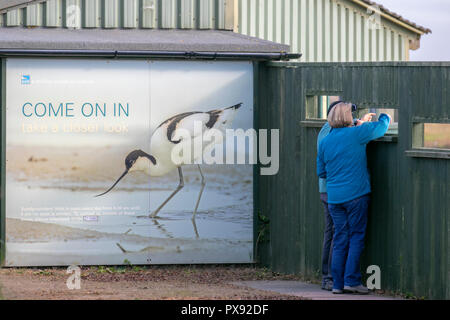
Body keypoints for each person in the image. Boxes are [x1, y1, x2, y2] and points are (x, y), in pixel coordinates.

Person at [317, 102, 390, 294]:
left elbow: (321, 172)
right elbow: (381, 128)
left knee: (340, 238)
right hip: (356, 195)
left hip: (333, 198)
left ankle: (337, 285)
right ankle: (352, 280)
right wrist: (385, 115)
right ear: (348, 117)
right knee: (356, 236)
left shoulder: (325, 140)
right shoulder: (358, 134)